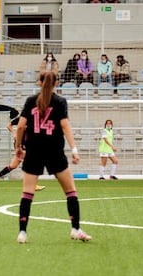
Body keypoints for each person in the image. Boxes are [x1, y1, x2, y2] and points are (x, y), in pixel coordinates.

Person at [15, 72, 92, 244]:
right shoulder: (60, 102)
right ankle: (75, 229)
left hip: (34, 151)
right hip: (54, 151)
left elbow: (20, 127)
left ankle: (22, 233)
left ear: (39, 82)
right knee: (70, 191)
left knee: (27, 193)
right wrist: (74, 149)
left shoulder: (30, 101)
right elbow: (65, 126)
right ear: (56, 83)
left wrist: (18, 147)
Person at [0, 105, 46, 191]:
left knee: (13, 166)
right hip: (20, 144)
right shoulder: (22, 119)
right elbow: (9, 125)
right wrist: (14, 133)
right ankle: (33, 185)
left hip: (28, 145)